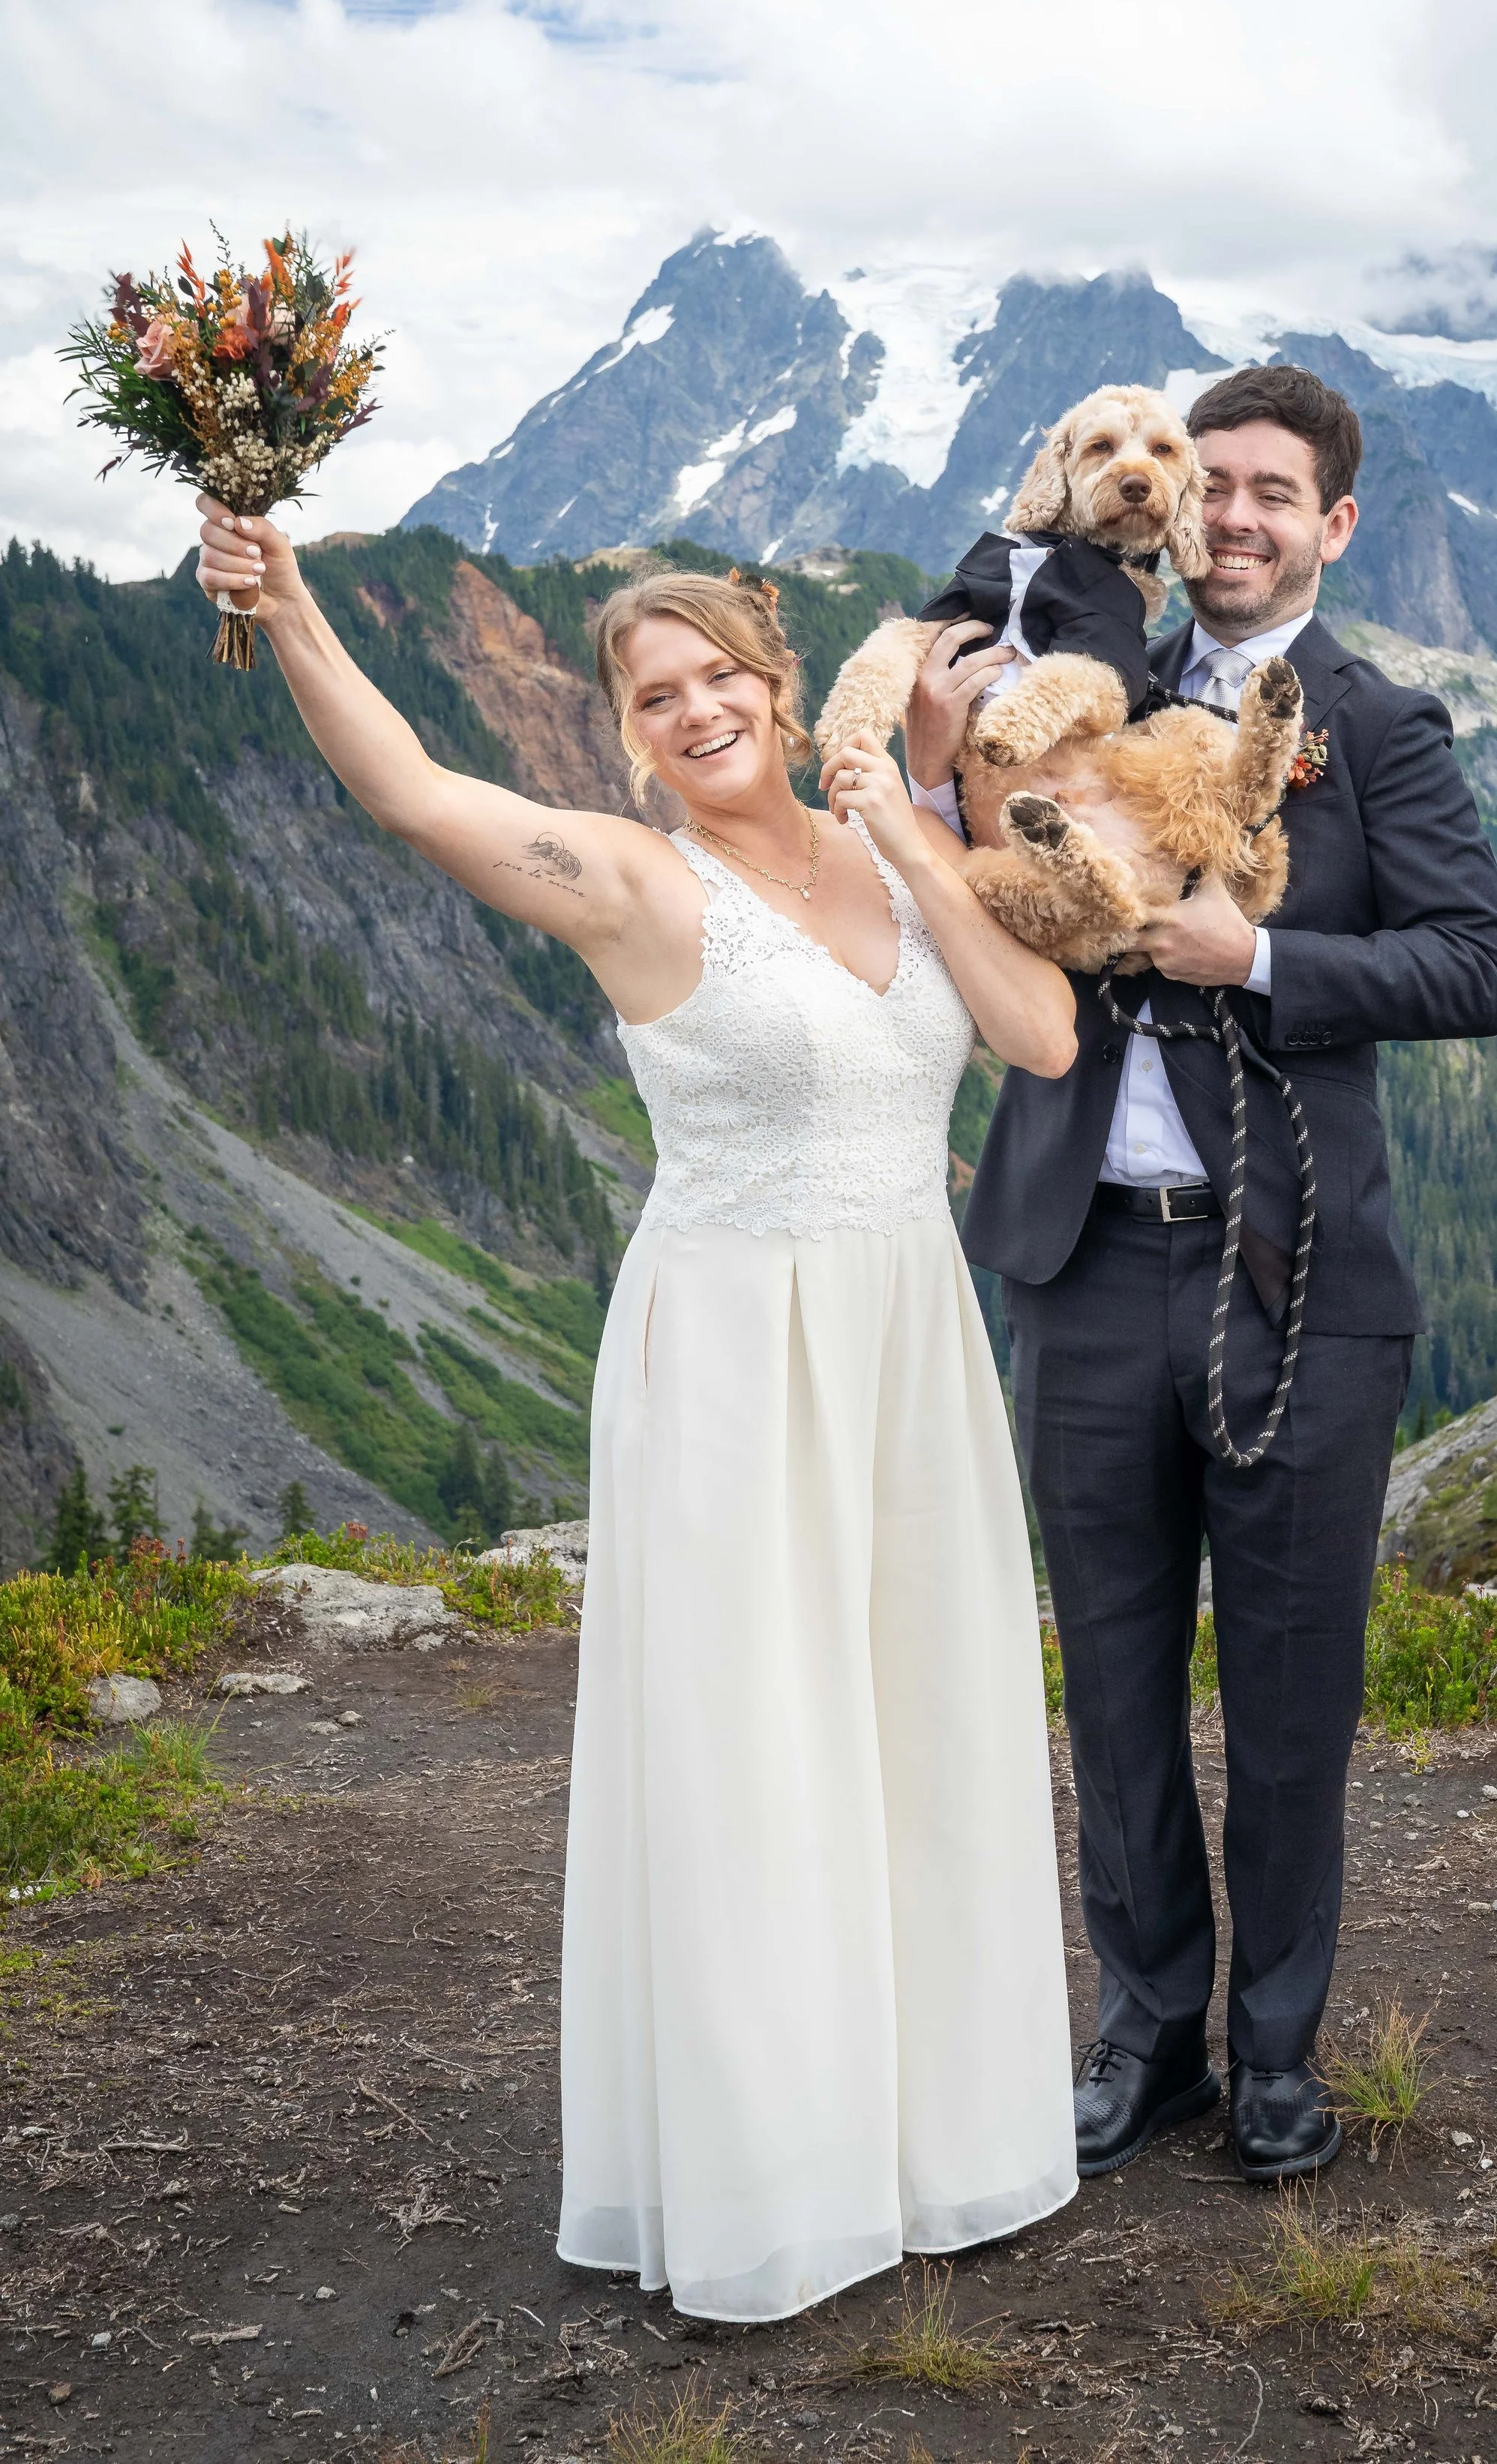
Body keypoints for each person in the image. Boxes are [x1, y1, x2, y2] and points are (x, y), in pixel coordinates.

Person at [192, 503, 1082, 2321]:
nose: (689, 715)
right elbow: (417, 796)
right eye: (650, 697)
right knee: (759, 1750)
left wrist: (913, 831)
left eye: (715, 681)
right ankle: (772, 2184)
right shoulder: (629, 881)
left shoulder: (885, 844)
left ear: (774, 684)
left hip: (909, 1339)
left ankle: (936, 2148)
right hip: (738, 1352)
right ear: (626, 732)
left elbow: (1043, 1037)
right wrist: (285, 608)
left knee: (923, 1721)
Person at [907, 365, 1497, 2186]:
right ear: (1169, 507)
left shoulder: (1376, 724)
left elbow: (1468, 965)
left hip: (1301, 1279)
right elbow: (943, 860)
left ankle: (1273, 2052)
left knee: (1287, 1689)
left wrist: (1252, 955)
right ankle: (1146, 2030)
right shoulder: (1062, 676)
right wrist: (941, 766)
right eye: (1212, 489)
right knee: (1106, 1677)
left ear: (1329, 526)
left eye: (1272, 495)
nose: (1231, 519)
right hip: (1079, 1261)